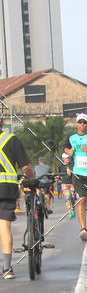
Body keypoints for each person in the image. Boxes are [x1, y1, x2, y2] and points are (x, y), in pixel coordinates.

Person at [0, 119, 34, 279]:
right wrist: (33, 177)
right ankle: (7, 268)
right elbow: (25, 167)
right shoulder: (11, 139)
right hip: (6, 189)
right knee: (4, 226)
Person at [63, 113, 87, 241]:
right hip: (78, 173)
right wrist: (68, 152)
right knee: (81, 199)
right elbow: (65, 148)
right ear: (76, 123)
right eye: (80, 122)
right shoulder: (71, 137)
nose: (82, 125)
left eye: (84, 122)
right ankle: (83, 229)